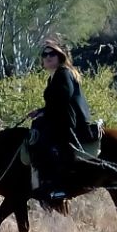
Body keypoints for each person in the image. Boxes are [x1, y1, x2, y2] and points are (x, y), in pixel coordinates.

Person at [26, 40, 96, 204]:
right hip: (62, 119)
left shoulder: (63, 73)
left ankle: (60, 187)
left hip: (70, 122)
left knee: (47, 146)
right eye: (45, 54)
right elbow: (55, 103)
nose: (48, 57)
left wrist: (44, 113)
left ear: (60, 57)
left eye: (52, 54)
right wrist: (40, 111)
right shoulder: (54, 77)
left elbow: (63, 101)